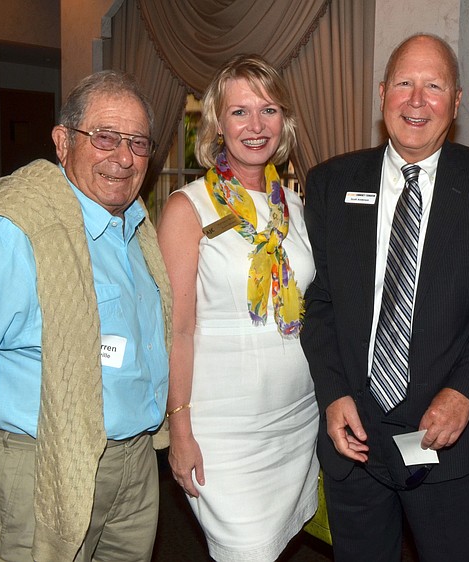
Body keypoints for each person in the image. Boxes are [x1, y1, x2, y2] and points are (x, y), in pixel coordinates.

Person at [0, 70, 172, 562]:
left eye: (138, 143)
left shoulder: (134, 229)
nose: (124, 158)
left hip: (131, 470)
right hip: (32, 469)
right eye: (105, 137)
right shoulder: (9, 233)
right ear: (63, 141)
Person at [302, 33, 469, 561]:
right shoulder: (331, 182)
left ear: (457, 101)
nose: (417, 101)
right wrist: (333, 395)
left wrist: (465, 392)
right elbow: (322, 302)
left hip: (447, 440)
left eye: (434, 86)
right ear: (382, 93)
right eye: (404, 83)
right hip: (353, 440)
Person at [157, 54, 318, 562]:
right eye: (239, 112)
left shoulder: (294, 206)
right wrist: (178, 431)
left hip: (297, 417)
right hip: (224, 429)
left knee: (280, 544)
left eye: (268, 110)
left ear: (284, 122)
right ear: (217, 124)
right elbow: (177, 331)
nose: (255, 125)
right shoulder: (189, 208)